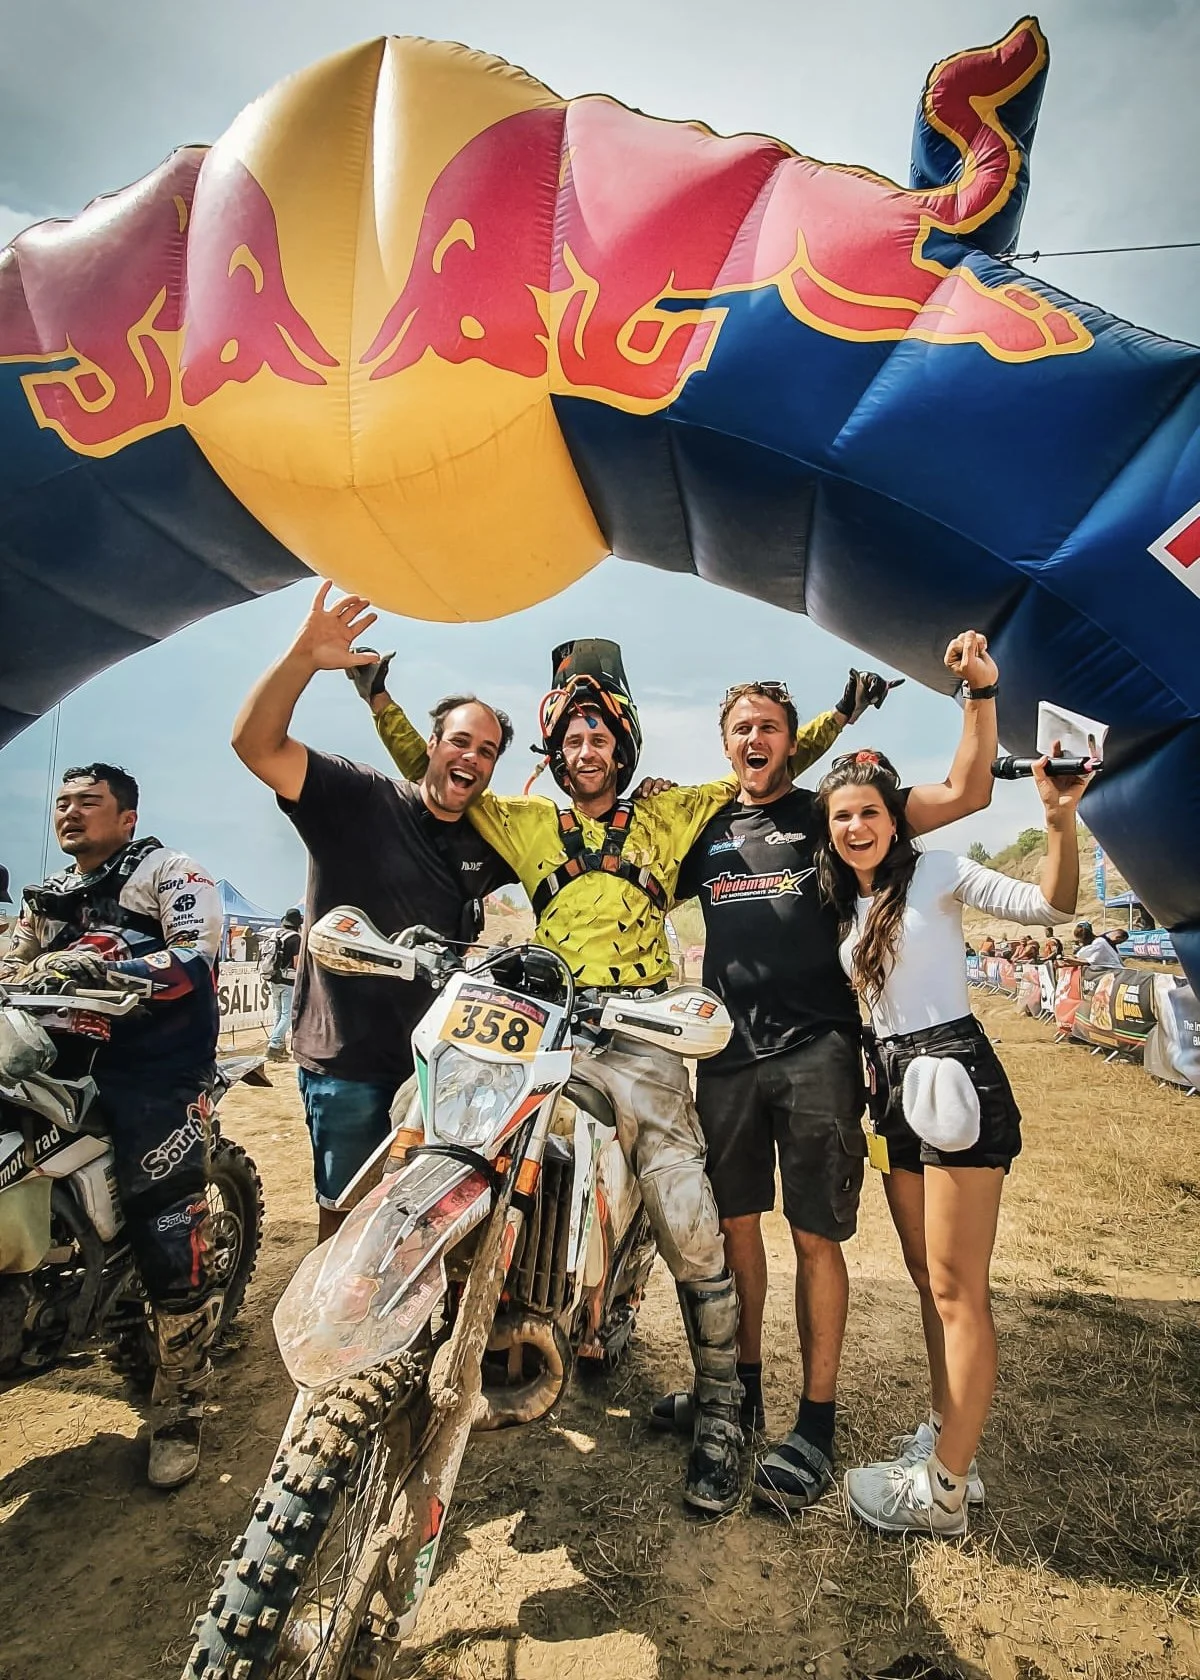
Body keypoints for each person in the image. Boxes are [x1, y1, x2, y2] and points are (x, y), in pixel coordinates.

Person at [365, 634, 884, 1515]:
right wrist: (379, 702)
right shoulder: (524, 822)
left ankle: (722, 1405)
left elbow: (768, 763)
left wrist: (837, 716)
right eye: (571, 739)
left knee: (687, 1208)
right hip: (549, 1021)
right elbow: (441, 774)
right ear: (555, 750)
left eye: (598, 736)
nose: (585, 750)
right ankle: (404, 1329)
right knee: (430, 1111)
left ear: (623, 745)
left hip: (642, 1031)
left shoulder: (670, 814)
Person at [654, 631, 999, 1515]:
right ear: (724, 742)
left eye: (770, 726)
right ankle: (738, 1398)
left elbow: (965, 792)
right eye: (741, 728)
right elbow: (627, 872)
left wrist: (979, 695)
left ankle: (815, 1422)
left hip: (819, 1053)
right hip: (724, 1058)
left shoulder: (832, 812)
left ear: (789, 737)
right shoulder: (701, 830)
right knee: (735, 1235)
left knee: (815, 1238)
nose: (755, 738)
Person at [813, 742, 1090, 1536]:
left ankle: (944, 1489)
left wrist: (1058, 820)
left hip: (951, 1072)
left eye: (870, 812)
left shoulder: (936, 870)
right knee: (925, 1277)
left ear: (894, 818)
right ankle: (944, 1434)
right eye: (842, 816)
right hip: (891, 1085)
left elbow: (1050, 906)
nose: (856, 826)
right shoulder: (847, 900)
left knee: (958, 1290)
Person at [232, 585, 517, 1245]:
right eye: (460, 741)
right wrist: (303, 658)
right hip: (348, 1061)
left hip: (440, 1069)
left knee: (429, 1232)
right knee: (347, 1235)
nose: (471, 758)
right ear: (431, 744)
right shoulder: (358, 795)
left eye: (487, 751)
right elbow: (255, 744)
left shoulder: (489, 842)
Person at [0, 764, 223, 1488]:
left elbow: (196, 955)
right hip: (53, 1062)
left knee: (166, 1222)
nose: (70, 813)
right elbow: (14, 963)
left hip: (151, 1069)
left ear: (126, 817)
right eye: (62, 802)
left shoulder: (170, 871)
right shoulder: (47, 895)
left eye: (88, 802)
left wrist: (108, 963)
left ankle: (181, 1403)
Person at [264, 907, 303, 1062]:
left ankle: (279, 1047)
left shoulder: (276, 934)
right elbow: (297, 963)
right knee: (287, 1015)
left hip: (273, 978)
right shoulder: (296, 938)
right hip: (288, 981)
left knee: (279, 1014)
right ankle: (274, 1044)